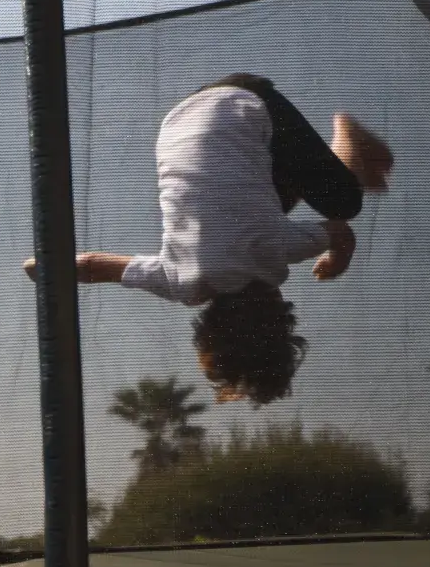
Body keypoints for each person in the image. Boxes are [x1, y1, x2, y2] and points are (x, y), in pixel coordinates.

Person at [27, 74, 393, 404]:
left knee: (343, 203)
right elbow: (90, 267)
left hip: (246, 101)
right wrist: (42, 270)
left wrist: (336, 261)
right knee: (262, 204)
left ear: (280, 317)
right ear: (208, 328)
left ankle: (347, 137)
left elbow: (341, 233)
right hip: (178, 120)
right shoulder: (180, 281)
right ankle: (331, 166)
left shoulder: (279, 249)